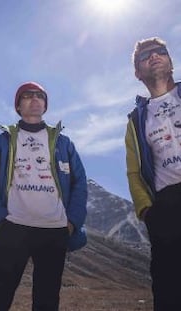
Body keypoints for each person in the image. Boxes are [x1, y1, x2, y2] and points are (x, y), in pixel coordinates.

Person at [0, 81, 87, 311]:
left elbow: (79, 184)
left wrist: (72, 223)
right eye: (27, 96)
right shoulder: (4, 141)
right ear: (18, 106)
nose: (34, 99)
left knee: (47, 300)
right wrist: (0, 222)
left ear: (45, 105)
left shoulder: (63, 143)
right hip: (12, 227)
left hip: (55, 230)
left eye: (39, 96)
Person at [125, 37, 181, 310]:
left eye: (160, 52)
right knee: (169, 288)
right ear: (138, 72)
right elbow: (133, 171)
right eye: (146, 55)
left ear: (171, 61)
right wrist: (148, 211)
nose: (154, 56)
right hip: (167, 206)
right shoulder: (136, 120)